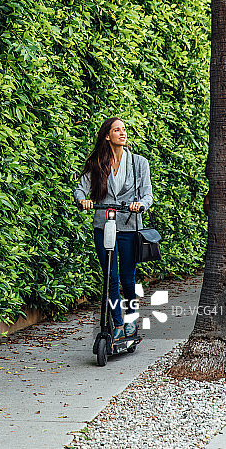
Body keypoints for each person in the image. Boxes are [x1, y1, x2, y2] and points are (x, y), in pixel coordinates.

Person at [73, 117, 154, 340]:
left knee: (127, 277)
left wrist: (141, 205)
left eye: (124, 129)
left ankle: (131, 318)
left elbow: (148, 195)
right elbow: (80, 189)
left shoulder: (139, 163)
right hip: (104, 225)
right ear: (107, 136)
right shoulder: (97, 163)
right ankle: (117, 323)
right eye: (117, 130)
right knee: (110, 277)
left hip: (129, 225)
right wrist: (83, 201)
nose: (122, 133)